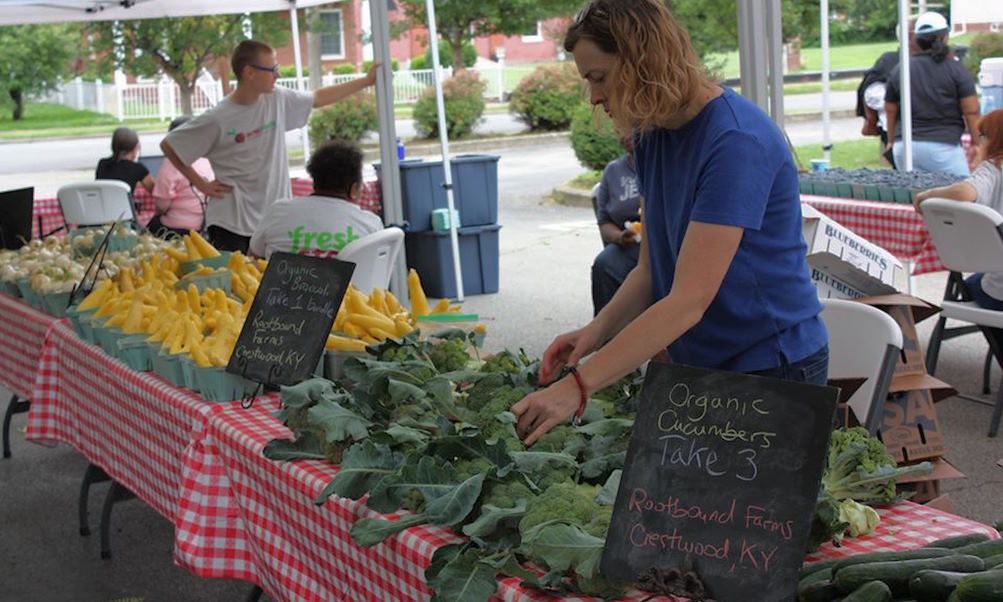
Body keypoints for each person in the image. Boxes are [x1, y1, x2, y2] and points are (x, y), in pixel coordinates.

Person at [511, 0, 828, 446]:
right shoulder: (653, 132)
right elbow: (651, 269)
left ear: (643, 60)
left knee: (742, 512)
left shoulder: (735, 141)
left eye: (598, 78)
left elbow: (687, 301)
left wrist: (578, 388)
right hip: (700, 359)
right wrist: (594, 334)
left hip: (771, 365)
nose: (594, 98)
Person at [160, 39, 380, 253]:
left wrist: (366, 81)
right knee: (238, 288)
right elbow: (170, 145)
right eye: (272, 68)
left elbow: (318, 98)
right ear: (249, 72)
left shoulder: (277, 98)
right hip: (232, 223)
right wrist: (201, 184)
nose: (278, 74)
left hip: (272, 219)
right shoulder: (218, 118)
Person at [914, 109, 1003, 347]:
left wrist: (928, 195)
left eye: (982, 136)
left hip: (999, 293)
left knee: (973, 283)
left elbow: (963, 192)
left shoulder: (995, 168)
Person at [249, 140, 383, 259]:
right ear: (354, 189)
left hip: (280, 286)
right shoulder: (371, 225)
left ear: (314, 180)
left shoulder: (278, 212)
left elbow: (253, 258)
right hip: (351, 287)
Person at [884, 11, 980, 177]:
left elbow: (890, 109)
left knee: (915, 201)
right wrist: (977, 143)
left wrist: (891, 140)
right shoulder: (956, 69)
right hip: (943, 147)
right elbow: (971, 110)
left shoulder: (901, 69)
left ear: (917, 39)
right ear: (945, 37)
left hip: (904, 146)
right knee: (963, 197)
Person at [591, 136, 641, 315]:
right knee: (605, 264)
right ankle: (605, 335)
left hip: (662, 242)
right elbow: (604, 221)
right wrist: (619, 237)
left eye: (630, 127)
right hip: (628, 244)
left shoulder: (664, 165)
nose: (625, 134)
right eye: (619, 129)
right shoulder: (613, 171)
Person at [147, 116, 214, 239]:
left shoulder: (171, 163)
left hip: (176, 228)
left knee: (150, 227)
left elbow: (161, 206)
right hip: (204, 226)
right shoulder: (207, 159)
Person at [95, 127, 155, 194]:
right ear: (135, 147)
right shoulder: (138, 169)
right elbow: (155, 191)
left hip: (105, 204)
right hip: (125, 204)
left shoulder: (102, 164)